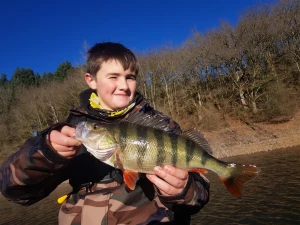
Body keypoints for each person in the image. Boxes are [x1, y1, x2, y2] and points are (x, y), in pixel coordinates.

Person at [0, 42, 210, 225]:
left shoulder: (161, 126)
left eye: (130, 77)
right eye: (113, 77)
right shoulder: (69, 131)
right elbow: (15, 193)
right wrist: (46, 154)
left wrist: (184, 191)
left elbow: (199, 195)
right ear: (91, 80)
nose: (123, 86)